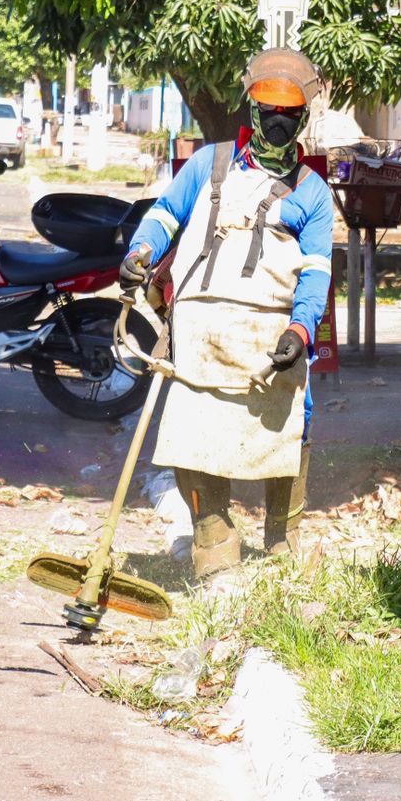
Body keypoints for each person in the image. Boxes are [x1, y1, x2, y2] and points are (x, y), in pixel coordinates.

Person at [119, 49, 334, 578]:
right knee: (195, 430)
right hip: (201, 331)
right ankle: (213, 546)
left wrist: (302, 329)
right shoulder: (208, 165)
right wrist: (139, 254)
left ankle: (284, 540)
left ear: (302, 116)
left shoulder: (313, 194)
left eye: (290, 112)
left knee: (291, 428)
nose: (279, 121)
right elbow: (165, 215)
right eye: (269, 109)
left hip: (270, 336)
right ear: (252, 110)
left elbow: (317, 272)